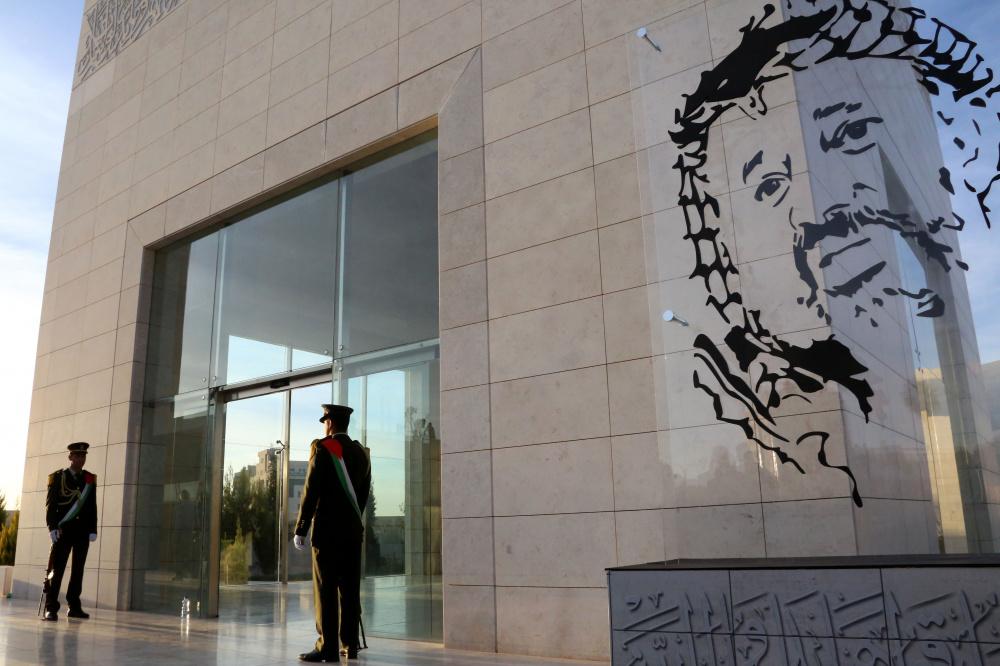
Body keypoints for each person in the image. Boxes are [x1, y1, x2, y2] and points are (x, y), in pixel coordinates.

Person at [665, 0, 997, 504]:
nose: (824, 213)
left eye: (852, 134)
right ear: (719, 249)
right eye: (769, 186)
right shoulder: (735, 403)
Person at [293, 404, 371, 662]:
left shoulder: (323, 448)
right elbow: (362, 496)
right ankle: (350, 644)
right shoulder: (361, 453)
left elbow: (311, 490)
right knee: (350, 589)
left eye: (325, 421)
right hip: (352, 532)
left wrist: (301, 528)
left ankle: (327, 647)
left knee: (326, 590)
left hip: (327, 532)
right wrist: (351, 521)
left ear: (330, 423)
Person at [42, 441, 97, 621]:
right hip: (63, 531)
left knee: (78, 571)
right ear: (70, 457)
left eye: (83, 456)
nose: (81, 459)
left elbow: (92, 506)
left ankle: (74, 606)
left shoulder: (89, 479)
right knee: (57, 571)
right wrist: (52, 527)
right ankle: (51, 607)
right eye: (78, 455)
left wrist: (93, 529)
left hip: (82, 532)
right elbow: (51, 506)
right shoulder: (58, 477)